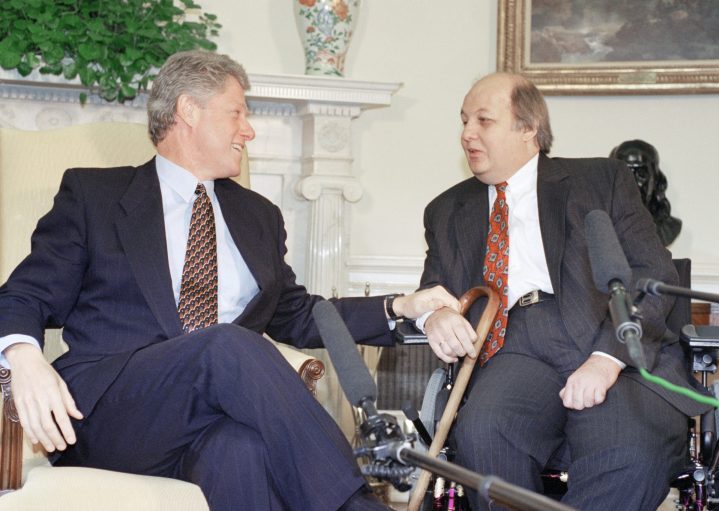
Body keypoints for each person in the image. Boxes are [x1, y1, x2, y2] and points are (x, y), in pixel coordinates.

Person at [0, 50, 459, 511]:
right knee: (225, 345)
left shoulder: (257, 215)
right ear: (188, 110)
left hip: (206, 422)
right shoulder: (95, 196)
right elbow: (23, 294)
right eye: (236, 113)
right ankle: (355, 505)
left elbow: (297, 314)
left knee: (242, 451)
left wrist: (400, 306)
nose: (249, 130)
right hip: (111, 415)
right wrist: (24, 357)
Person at [416, 72, 709, 510]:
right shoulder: (446, 209)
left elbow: (651, 273)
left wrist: (607, 358)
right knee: (483, 435)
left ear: (528, 128)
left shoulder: (601, 181)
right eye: (463, 121)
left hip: (608, 334)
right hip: (512, 347)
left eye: (483, 120)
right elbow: (432, 290)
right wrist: (434, 315)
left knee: (628, 454)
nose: (467, 134)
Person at [610, 139, 682, 246]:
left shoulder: (668, 229)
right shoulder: (599, 227)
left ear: (656, 180)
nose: (632, 183)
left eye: (641, 174)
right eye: (625, 174)